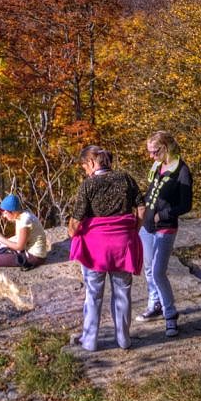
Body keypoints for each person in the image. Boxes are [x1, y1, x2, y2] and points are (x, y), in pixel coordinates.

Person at [68, 145, 143, 351]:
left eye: (85, 167)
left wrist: (72, 233)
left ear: (92, 162)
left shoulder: (88, 185)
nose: (86, 171)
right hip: (122, 245)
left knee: (93, 293)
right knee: (122, 292)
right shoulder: (126, 178)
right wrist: (133, 230)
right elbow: (142, 207)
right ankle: (124, 339)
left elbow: (77, 219)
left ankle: (90, 341)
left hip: (95, 248)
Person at [136, 131, 192, 338]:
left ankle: (170, 314)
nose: (151, 156)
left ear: (166, 147)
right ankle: (155, 304)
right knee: (149, 269)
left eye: (154, 151)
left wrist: (164, 214)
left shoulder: (182, 171)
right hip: (147, 226)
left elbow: (186, 205)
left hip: (165, 227)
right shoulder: (157, 166)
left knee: (158, 271)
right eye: (150, 152)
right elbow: (151, 193)